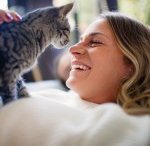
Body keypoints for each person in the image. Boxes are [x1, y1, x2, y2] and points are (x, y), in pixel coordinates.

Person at [0, 9, 150, 146]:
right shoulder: (49, 96)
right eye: (80, 40)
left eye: (95, 42)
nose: (72, 49)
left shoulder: (132, 128)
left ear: (132, 64)